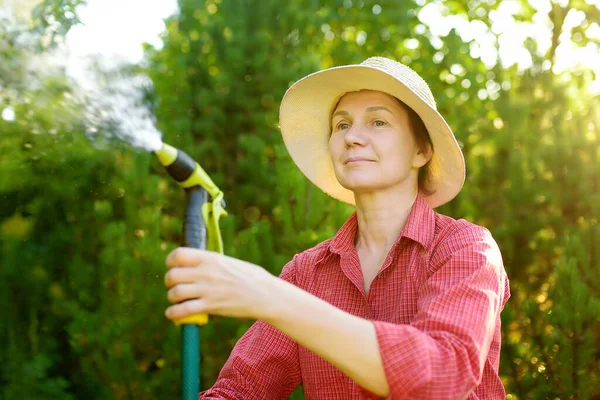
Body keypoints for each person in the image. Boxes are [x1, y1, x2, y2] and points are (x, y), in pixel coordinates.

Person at [163, 57, 511, 399]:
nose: (352, 138)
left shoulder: (466, 248)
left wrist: (269, 296)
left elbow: (442, 376)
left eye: (378, 122)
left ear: (421, 150)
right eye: (342, 125)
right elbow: (240, 390)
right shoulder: (307, 274)